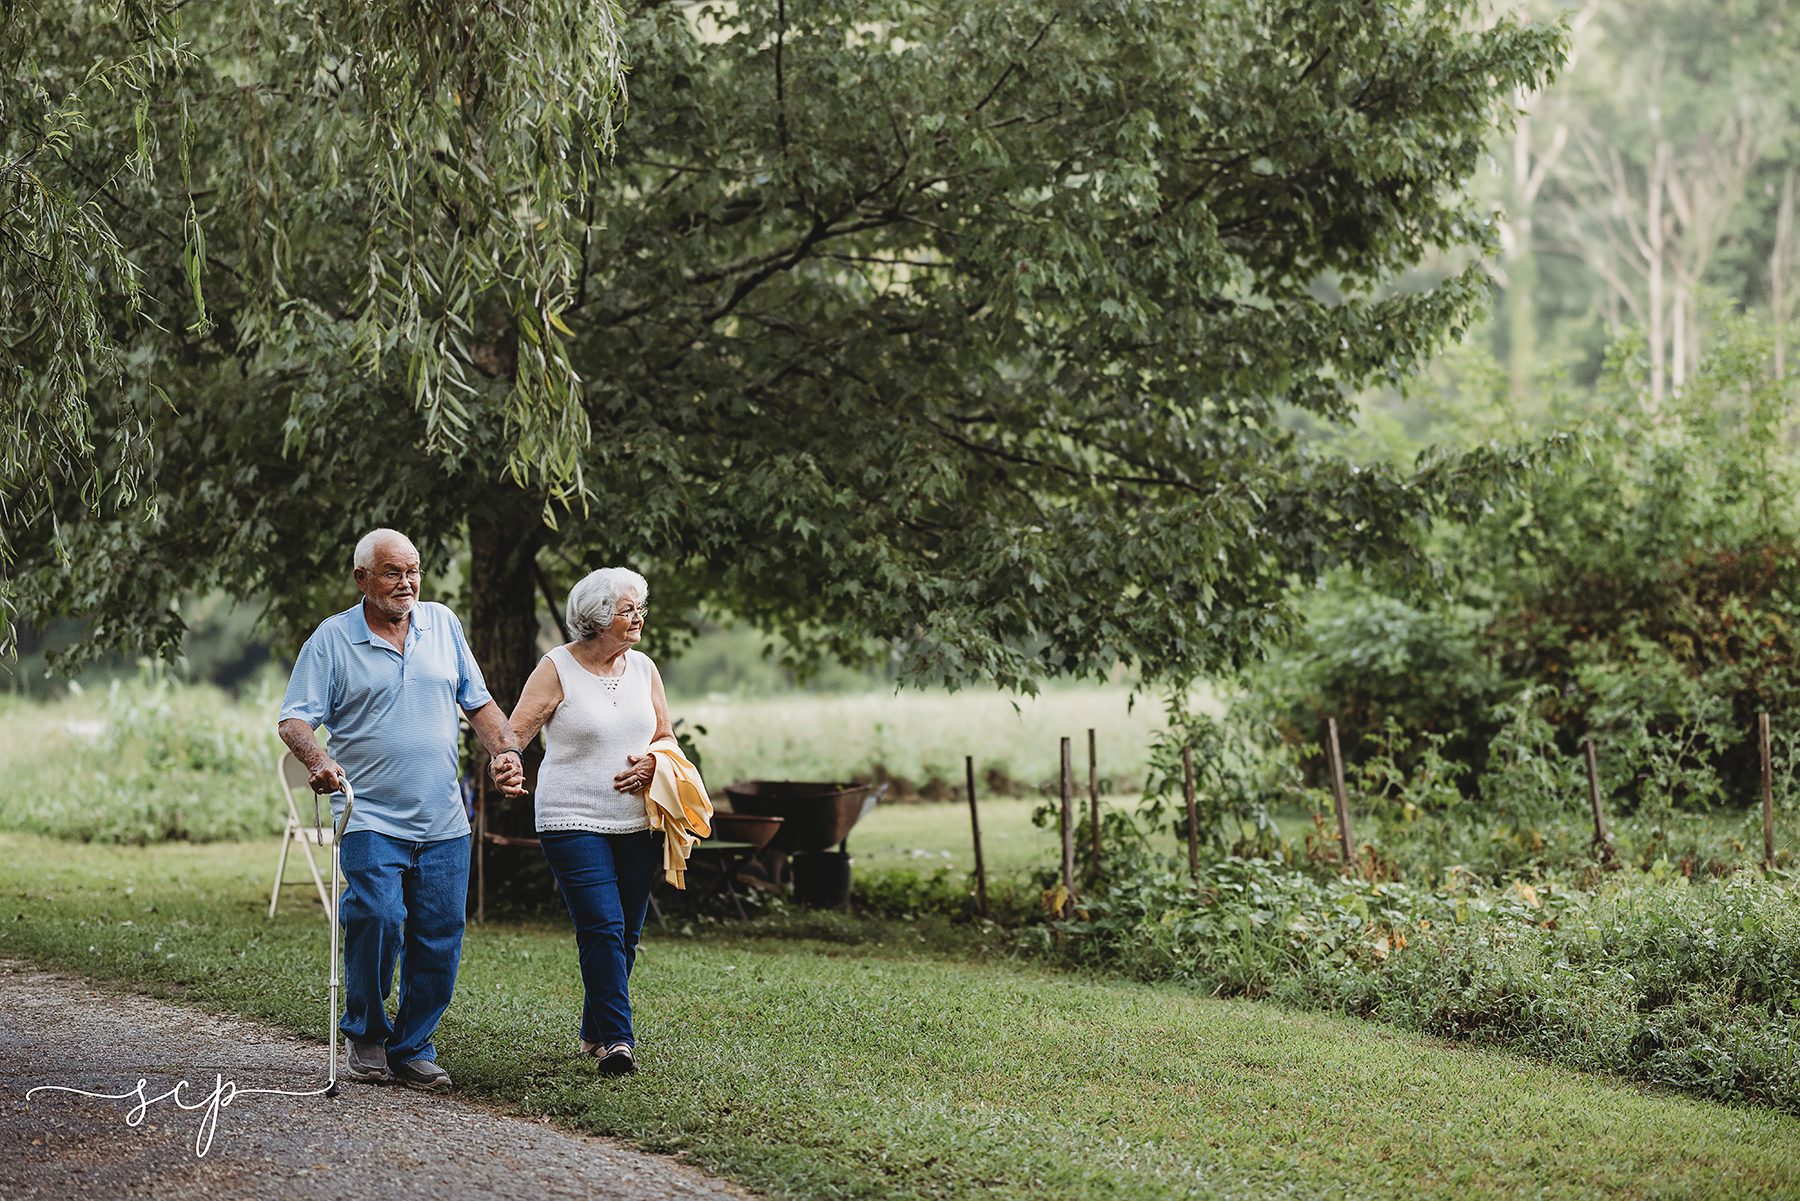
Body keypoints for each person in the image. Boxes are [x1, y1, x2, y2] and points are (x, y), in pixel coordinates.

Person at [277, 528, 526, 1091]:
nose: (406, 582)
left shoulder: (443, 624)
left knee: (440, 933)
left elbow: (479, 701)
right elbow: (294, 719)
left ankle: (413, 1046)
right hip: (368, 814)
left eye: (413, 570)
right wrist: (319, 761)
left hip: (442, 816)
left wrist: (505, 753)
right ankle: (366, 1031)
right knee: (378, 916)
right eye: (392, 572)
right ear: (362, 578)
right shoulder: (332, 640)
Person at [506, 566, 673, 1076]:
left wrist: (655, 761)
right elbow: (517, 731)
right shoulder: (557, 667)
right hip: (570, 817)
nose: (639, 617)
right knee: (601, 925)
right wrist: (507, 761)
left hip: (637, 820)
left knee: (625, 935)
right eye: (628, 610)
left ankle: (595, 1030)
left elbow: (665, 736)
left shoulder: (644, 668)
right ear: (599, 619)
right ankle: (619, 1041)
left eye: (639, 607)